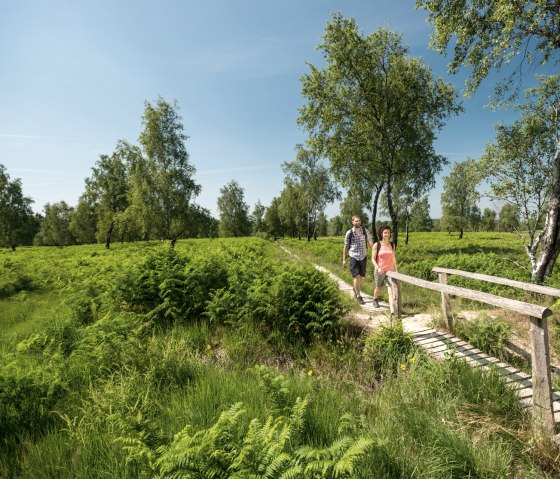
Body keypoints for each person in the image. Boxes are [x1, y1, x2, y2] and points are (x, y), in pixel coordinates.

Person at [342, 215, 374, 304]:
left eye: (359, 221)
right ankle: (359, 296)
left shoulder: (365, 231)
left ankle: (355, 288)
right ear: (352, 222)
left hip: (363, 256)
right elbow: (346, 247)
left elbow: (370, 243)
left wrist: (376, 251)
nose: (358, 222)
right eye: (356, 221)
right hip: (353, 256)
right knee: (357, 276)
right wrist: (344, 260)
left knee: (362, 277)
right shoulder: (349, 233)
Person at [371, 225, 397, 311]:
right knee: (378, 288)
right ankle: (375, 299)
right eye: (385, 233)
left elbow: (393, 258)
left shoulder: (392, 244)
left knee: (391, 290)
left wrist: (396, 270)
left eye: (388, 233)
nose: (387, 234)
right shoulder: (377, 245)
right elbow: (373, 259)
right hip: (380, 271)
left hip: (390, 270)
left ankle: (392, 310)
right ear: (381, 234)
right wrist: (377, 267)